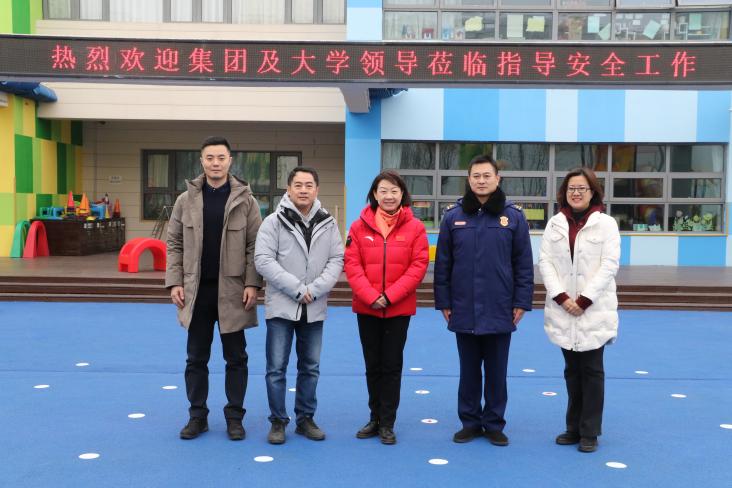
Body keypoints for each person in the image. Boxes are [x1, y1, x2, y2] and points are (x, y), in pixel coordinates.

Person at [166, 136, 262, 441]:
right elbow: (174, 242)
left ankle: (235, 418)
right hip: (196, 292)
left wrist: (252, 283)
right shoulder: (186, 200)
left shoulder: (246, 200)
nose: (215, 163)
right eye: (210, 158)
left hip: (233, 292)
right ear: (202, 161)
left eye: (221, 157)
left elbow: (255, 245)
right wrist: (175, 281)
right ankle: (197, 416)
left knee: (236, 358)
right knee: (196, 358)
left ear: (230, 161)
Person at [434, 154, 534, 447]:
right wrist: (444, 301)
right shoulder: (453, 216)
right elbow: (443, 264)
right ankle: (469, 422)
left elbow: (523, 264)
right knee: (468, 372)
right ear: (469, 180)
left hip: (500, 307)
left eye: (487, 175)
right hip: (463, 306)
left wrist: (521, 301)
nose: (481, 180)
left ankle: (493, 424)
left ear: (497, 179)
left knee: (496, 372)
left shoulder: (513, 217)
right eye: (476, 176)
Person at [254, 167, 344, 445]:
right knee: (276, 368)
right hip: (282, 306)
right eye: (298, 185)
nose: (303, 190)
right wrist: (297, 289)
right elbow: (263, 260)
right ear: (289, 189)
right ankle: (278, 421)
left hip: (314, 307)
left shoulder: (328, 223)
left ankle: (305, 419)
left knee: (310, 367)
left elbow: (336, 259)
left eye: (309, 185)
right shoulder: (273, 222)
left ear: (317, 189)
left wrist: (314, 290)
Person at [538, 167, 620, 453]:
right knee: (572, 370)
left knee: (592, 370)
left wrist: (584, 299)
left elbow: (609, 265)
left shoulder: (606, 224)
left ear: (592, 192)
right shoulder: (555, 223)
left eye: (581, 188)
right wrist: (562, 297)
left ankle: (590, 431)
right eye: (571, 188)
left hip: (593, 309)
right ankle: (573, 427)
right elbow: (546, 262)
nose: (576, 193)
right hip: (563, 308)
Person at [344, 170, 429, 445]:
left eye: (394, 190)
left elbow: (418, 265)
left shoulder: (415, 227)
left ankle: (388, 422)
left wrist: (390, 296)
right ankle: (374, 417)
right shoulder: (358, 226)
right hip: (367, 307)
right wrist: (371, 295)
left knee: (392, 366)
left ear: (402, 194)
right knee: (373, 365)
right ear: (374, 194)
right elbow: (352, 264)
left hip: (397, 309)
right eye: (383, 190)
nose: (389, 196)